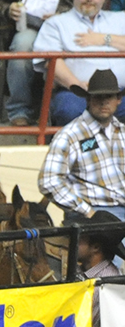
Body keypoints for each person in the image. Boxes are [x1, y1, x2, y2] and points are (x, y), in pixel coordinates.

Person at [31, 0, 125, 125]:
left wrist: (105, 39)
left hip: (120, 93)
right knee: (69, 110)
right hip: (77, 93)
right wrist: (78, 86)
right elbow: (50, 61)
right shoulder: (56, 23)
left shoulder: (121, 19)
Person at [39, 67, 125, 219]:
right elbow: (49, 181)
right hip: (91, 213)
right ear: (88, 99)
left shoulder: (122, 132)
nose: (104, 101)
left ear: (118, 100)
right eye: (98, 97)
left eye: (109, 96)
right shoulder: (69, 135)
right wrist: (88, 212)